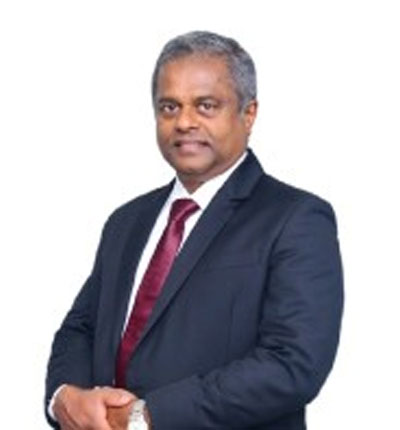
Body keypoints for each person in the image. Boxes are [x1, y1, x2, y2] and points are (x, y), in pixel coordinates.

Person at [45, 31, 344, 430]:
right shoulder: (126, 222)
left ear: (248, 113)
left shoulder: (295, 218)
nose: (184, 122)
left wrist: (146, 417)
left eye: (206, 105)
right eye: (169, 107)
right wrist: (65, 397)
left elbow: (292, 364)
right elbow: (81, 328)